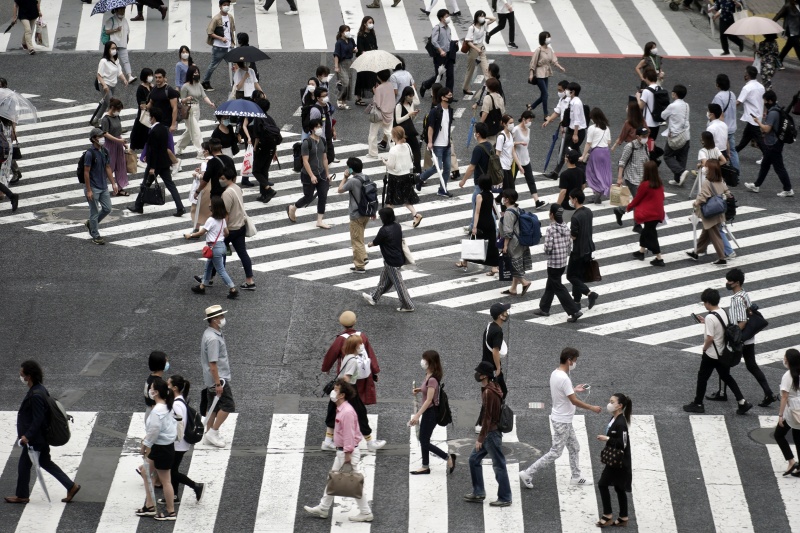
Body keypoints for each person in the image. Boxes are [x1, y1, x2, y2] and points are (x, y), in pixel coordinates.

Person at [519, 348, 601, 489]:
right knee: (556, 452)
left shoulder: (555, 373)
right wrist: (592, 408)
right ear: (569, 360)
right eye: (575, 361)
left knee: (575, 447)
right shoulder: (564, 378)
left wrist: (573, 389)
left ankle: (576, 476)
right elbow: (574, 401)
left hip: (563, 419)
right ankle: (527, 473)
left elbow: (563, 392)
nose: (575, 363)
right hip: (562, 421)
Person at [5, 361, 81, 505]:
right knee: (45, 462)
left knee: (23, 465)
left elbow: (38, 419)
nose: (20, 376)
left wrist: (27, 435)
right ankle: (71, 486)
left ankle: (22, 495)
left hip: (36, 439)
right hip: (40, 438)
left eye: (22, 374)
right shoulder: (40, 389)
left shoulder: (36, 395)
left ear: (29, 376)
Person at [304, 380, 374, 523]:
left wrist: (347, 454)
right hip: (342, 452)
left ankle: (366, 512)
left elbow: (349, 434)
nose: (332, 392)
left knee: (354, 482)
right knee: (333, 480)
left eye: (335, 390)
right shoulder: (342, 408)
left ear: (342, 395)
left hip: (347, 452)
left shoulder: (346, 412)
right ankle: (323, 508)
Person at [706, 269, 778, 405]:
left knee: (723, 362)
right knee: (751, 365)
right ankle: (769, 393)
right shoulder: (744, 294)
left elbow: (742, 321)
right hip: (748, 338)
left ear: (737, 283)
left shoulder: (737, 299)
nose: (727, 283)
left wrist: (733, 336)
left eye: (730, 281)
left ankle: (723, 393)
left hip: (740, 338)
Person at [683, 288, 753, 414]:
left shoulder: (710, 317)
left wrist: (704, 349)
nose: (704, 305)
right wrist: (705, 322)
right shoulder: (722, 312)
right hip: (723, 353)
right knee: (727, 377)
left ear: (708, 302)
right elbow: (721, 327)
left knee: (702, 378)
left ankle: (698, 403)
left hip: (711, 354)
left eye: (704, 302)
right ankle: (742, 402)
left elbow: (710, 338)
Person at [464, 361, 512, 507]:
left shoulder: (488, 392)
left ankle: (505, 497)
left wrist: (480, 438)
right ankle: (478, 492)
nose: (477, 374)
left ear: (484, 375)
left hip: (490, 435)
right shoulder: (493, 387)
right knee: (473, 460)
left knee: (499, 465)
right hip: (491, 433)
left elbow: (487, 417)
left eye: (479, 372)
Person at [129, 108, 185, 216]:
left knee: (145, 184)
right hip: (164, 162)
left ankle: (138, 206)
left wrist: (152, 166)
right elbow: (161, 147)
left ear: (153, 118)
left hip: (155, 163)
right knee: (170, 185)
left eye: (150, 117)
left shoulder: (154, 131)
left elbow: (154, 149)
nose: (149, 119)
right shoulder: (164, 129)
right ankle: (180, 207)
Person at [137, 377, 178, 521]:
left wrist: (144, 445)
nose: (149, 390)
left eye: (151, 388)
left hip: (161, 448)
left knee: (166, 480)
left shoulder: (157, 411)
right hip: (164, 447)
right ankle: (149, 505)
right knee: (145, 471)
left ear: (156, 392)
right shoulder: (167, 405)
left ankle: (170, 511)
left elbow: (154, 431)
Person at [409, 350, 457, 474]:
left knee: (424, 441)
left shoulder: (432, 379)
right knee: (424, 439)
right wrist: (420, 390)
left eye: (425, 359)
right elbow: (430, 391)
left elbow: (429, 400)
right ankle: (425, 466)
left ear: (431, 362)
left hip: (431, 413)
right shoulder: (429, 375)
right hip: (429, 412)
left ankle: (448, 457)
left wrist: (417, 415)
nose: (422, 361)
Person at [534, 205, 582, 322]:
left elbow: (548, 247)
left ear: (552, 215)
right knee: (551, 284)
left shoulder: (551, 229)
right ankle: (544, 308)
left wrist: (545, 250)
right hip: (562, 261)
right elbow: (569, 244)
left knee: (558, 287)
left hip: (553, 262)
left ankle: (574, 311)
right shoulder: (565, 226)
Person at [363, 207, 415, 311]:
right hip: (397, 257)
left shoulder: (384, 230)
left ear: (384, 218)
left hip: (391, 261)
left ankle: (408, 305)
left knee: (398, 284)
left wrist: (369, 244)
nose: (380, 218)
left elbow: (376, 242)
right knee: (384, 280)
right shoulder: (397, 226)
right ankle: (374, 297)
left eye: (381, 216)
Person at [186, 196, 238, 298]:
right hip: (221, 246)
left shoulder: (211, 220)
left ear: (214, 208)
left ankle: (233, 289)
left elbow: (201, 232)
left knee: (221, 270)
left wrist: (190, 235)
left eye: (211, 205)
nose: (209, 205)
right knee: (208, 267)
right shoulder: (223, 220)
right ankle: (202, 286)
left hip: (214, 248)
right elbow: (226, 233)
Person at [199, 304, 236, 447]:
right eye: (220, 316)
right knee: (228, 405)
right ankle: (213, 432)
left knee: (212, 406)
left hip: (211, 378)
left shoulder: (209, 333)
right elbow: (213, 364)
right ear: (214, 319)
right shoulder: (213, 339)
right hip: (218, 378)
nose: (223, 318)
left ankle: (209, 433)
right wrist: (218, 384)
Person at [615, 161, 665, 266]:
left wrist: (628, 208)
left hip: (649, 214)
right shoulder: (659, 183)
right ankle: (641, 252)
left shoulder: (645, 185)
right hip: (658, 213)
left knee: (651, 235)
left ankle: (659, 258)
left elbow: (637, 199)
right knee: (646, 232)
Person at [745, 90, 794, 197]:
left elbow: (766, 129)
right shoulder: (776, 109)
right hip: (773, 143)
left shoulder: (772, 113)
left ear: (770, 101)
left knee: (779, 167)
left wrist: (758, 122)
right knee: (765, 165)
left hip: (773, 144)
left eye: (765, 101)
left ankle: (788, 189)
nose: (764, 103)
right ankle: (756, 185)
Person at [595, 393, 633, 528]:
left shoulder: (621, 423)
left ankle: (608, 515)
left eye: (612, 402)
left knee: (602, 484)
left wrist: (607, 439)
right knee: (619, 488)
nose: (609, 404)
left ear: (620, 406)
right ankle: (623, 517)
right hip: (616, 460)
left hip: (619, 462)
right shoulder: (614, 418)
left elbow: (623, 443)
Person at [166, 375, 205, 504]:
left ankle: (195, 486)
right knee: (173, 470)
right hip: (181, 442)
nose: (167, 386)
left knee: (171, 471)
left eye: (169, 384)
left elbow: (179, 425)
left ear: (175, 388)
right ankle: (175, 496)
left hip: (178, 443)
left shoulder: (176, 404)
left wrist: (172, 440)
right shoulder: (180, 400)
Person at [287, 118, 332, 229]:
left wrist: (327, 174)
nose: (319, 128)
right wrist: (312, 175)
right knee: (308, 197)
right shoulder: (306, 143)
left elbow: (325, 159)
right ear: (312, 129)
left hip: (321, 174)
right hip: (308, 175)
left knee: (323, 196)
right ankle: (293, 208)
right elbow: (305, 161)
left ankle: (319, 221)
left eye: (320, 126)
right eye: (317, 127)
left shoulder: (322, 140)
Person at [686, 160, 732, 265]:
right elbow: (728, 193)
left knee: (715, 235)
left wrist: (696, 203)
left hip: (710, 213)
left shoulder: (707, 182)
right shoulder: (720, 180)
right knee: (706, 233)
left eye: (706, 167)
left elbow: (703, 196)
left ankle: (722, 257)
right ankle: (697, 251)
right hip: (719, 211)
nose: (704, 168)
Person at [477, 302, 510, 433]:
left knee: (489, 394)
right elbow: (495, 351)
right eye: (505, 312)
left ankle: (484, 422)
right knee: (498, 393)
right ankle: (483, 423)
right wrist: (498, 368)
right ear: (500, 316)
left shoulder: (490, 326)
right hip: (492, 368)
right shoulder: (498, 331)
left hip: (485, 365)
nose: (507, 313)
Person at [417, 86, 455, 197]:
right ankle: (420, 178)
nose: (451, 97)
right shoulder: (435, 111)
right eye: (449, 95)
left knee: (447, 168)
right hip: (437, 144)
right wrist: (430, 142)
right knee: (437, 167)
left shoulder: (450, 110)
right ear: (442, 97)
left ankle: (442, 189)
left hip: (447, 144)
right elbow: (431, 127)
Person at [83, 128, 118, 245]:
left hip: (103, 186)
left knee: (107, 208)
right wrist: (88, 190)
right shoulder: (89, 153)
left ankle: (91, 224)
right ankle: (95, 235)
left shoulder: (105, 151)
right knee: (94, 212)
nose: (102, 139)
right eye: (99, 137)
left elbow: (108, 167)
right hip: (93, 187)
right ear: (93, 139)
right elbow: (86, 172)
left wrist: (113, 183)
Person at [220, 170, 255, 291]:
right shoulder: (237, 188)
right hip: (240, 226)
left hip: (230, 229)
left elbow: (225, 214)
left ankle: (210, 277)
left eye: (223, 178)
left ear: (230, 178)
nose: (221, 180)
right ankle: (250, 281)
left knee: (218, 252)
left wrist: (224, 229)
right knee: (242, 253)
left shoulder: (227, 194)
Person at [457, 176, 499, 272]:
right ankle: (494, 266)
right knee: (492, 244)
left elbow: (477, 212)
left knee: (474, 241)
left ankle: (465, 261)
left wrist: (474, 226)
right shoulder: (491, 195)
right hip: (490, 222)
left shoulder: (479, 196)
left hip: (482, 222)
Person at [566, 189, 599, 309]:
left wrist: (567, 233)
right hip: (589, 248)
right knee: (578, 276)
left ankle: (590, 294)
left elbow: (574, 236)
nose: (570, 201)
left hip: (578, 250)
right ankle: (577, 302)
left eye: (570, 198)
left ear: (575, 199)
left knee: (571, 276)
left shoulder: (575, 217)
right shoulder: (588, 212)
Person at [338, 157, 371, 273]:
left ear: (351, 169)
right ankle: (363, 257)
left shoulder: (352, 181)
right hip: (366, 212)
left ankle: (360, 265)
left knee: (356, 240)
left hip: (356, 213)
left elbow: (340, 189)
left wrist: (345, 177)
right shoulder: (366, 178)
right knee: (360, 237)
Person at [383, 127, 421, 224]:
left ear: (394, 136)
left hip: (395, 177)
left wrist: (384, 162)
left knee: (390, 200)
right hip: (406, 175)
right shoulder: (407, 146)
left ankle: (389, 220)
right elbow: (411, 158)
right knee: (406, 198)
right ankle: (415, 215)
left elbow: (391, 165)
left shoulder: (393, 150)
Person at [616, 126, 650, 232]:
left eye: (646, 136)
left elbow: (647, 161)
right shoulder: (630, 147)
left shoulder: (645, 146)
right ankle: (637, 225)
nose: (645, 138)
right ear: (637, 136)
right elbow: (622, 162)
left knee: (637, 200)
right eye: (643, 136)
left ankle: (620, 210)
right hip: (631, 178)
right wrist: (619, 178)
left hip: (642, 178)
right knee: (639, 201)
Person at [176, 65, 215, 156]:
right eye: (195, 73)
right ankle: (201, 151)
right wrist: (187, 99)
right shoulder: (185, 86)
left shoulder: (199, 85)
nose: (197, 74)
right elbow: (181, 100)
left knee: (190, 131)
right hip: (189, 110)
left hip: (197, 109)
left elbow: (204, 96)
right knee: (196, 131)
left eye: (197, 72)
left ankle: (177, 147)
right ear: (190, 74)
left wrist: (210, 103)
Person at [500, 189, 532, 295]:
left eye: (504, 197)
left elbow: (508, 231)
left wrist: (505, 245)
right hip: (521, 240)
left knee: (513, 264)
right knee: (517, 262)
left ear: (507, 200)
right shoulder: (517, 208)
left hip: (513, 242)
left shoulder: (509, 213)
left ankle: (524, 282)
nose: (502, 199)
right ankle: (513, 288)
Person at [774, 349, 800, 477]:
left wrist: (780, 416)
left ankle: (791, 461)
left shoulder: (788, 376)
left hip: (792, 412)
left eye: (785, 357)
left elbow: (784, 397)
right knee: (798, 437)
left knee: (778, 435)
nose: (783, 359)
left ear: (788, 360)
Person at [512, 110, 546, 208]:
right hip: (515, 160)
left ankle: (537, 201)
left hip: (526, 159)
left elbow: (526, 145)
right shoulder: (515, 130)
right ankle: (502, 199)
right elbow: (509, 144)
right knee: (511, 181)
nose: (530, 122)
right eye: (529, 120)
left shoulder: (528, 130)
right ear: (523, 119)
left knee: (530, 180)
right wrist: (519, 143)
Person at [90, 41, 129, 127]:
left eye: (115, 48)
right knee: (113, 105)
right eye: (112, 48)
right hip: (105, 86)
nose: (114, 50)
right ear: (107, 50)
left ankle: (95, 120)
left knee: (105, 104)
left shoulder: (116, 60)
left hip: (113, 85)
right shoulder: (103, 61)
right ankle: (116, 125)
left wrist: (124, 79)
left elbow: (119, 72)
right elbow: (99, 75)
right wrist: (104, 85)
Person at [202, 0, 236, 92]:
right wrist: (221, 38)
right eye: (224, 5)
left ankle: (235, 84)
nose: (227, 7)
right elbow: (209, 32)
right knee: (213, 65)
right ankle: (205, 82)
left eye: (228, 5)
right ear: (220, 6)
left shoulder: (230, 17)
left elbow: (231, 31)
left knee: (233, 66)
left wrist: (232, 43)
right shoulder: (216, 18)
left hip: (229, 47)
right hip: (219, 48)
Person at [661, 84, 691, 187]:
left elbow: (663, 115)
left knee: (667, 155)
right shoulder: (687, 105)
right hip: (686, 135)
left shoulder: (672, 106)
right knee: (682, 157)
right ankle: (678, 180)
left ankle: (681, 172)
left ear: (675, 94)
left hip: (675, 136)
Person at [528, 31, 565, 116]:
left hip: (546, 73)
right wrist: (531, 73)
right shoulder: (539, 50)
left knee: (544, 95)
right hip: (539, 73)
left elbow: (553, 60)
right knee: (545, 94)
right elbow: (533, 62)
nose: (549, 39)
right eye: (547, 37)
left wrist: (560, 67)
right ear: (543, 39)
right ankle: (546, 114)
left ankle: (531, 107)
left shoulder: (549, 50)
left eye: (549, 37)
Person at [580, 107, 612, 204]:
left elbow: (588, 143)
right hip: (605, 152)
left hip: (596, 152)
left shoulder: (592, 128)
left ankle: (597, 191)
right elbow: (609, 142)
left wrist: (583, 155)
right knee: (603, 173)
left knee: (592, 173)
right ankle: (602, 190)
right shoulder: (606, 128)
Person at [250, 96, 279, 203]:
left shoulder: (258, 118)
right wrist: (275, 150)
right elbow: (276, 135)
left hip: (262, 148)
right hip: (271, 148)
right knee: (264, 171)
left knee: (256, 171)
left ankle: (268, 190)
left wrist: (255, 147)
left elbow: (257, 136)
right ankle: (264, 195)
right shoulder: (270, 118)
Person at [542, 79, 572, 179]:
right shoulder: (562, 100)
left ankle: (555, 172)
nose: (558, 92)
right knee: (570, 150)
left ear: (566, 90)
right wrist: (548, 120)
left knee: (563, 151)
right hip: (565, 129)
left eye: (560, 90)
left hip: (569, 130)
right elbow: (557, 111)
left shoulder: (571, 101)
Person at [420, 10, 456, 94]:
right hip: (440, 55)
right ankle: (425, 85)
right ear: (441, 18)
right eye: (446, 16)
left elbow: (447, 41)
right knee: (439, 75)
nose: (448, 18)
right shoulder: (437, 28)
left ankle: (449, 94)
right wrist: (441, 51)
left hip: (448, 54)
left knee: (450, 75)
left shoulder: (448, 28)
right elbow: (434, 41)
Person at [100, 98, 129, 197]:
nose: (119, 112)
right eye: (118, 110)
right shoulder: (105, 119)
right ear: (112, 108)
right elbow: (105, 134)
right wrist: (118, 141)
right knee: (109, 166)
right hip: (109, 145)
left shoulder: (117, 117)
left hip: (118, 144)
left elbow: (118, 132)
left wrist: (122, 142)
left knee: (121, 166)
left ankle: (120, 188)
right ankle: (99, 187)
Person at [734, 66, 764, 159]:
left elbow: (738, 102)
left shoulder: (747, 88)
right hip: (758, 116)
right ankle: (735, 151)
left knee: (759, 139)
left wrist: (726, 110)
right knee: (746, 136)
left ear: (747, 76)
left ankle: (767, 155)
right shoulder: (761, 86)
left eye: (745, 73)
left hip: (752, 118)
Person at [712, 73, 739, 171]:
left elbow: (717, 113)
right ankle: (736, 172)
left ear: (718, 84)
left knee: (714, 149)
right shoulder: (732, 94)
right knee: (732, 150)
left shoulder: (719, 97)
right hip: (732, 127)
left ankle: (707, 169)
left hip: (723, 127)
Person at [462, 11, 493, 95]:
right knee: (470, 70)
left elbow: (494, 19)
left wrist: (485, 18)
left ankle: (490, 88)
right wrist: (476, 49)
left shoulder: (484, 25)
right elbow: (468, 41)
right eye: (480, 16)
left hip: (481, 48)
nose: (482, 17)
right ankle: (465, 87)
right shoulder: (471, 28)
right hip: (474, 49)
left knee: (486, 69)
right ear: (476, 17)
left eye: (483, 16)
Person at [394, 86, 422, 174]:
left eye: (412, 95)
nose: (412, 98)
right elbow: (398, 120)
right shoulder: (399, 106)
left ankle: (417, 173)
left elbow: (411, 120)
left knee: (417, 151)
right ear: (405, 96)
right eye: (410, 96)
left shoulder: (411, 104)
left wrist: (414, 115)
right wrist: (409, 114)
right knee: (401, 154)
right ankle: (401, 173)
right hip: (401, 133)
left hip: (410, 131)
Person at [368, 70, 395, 158]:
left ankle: (373, 153)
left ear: (379, 77)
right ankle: (394, 150)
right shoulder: (391, 85)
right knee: (389, 133)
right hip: (389, 113)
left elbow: (377, 103)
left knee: (373, 134)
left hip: (379, 114)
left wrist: (375, 92)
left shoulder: (379, 88)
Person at [146, 69, 180, 137]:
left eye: (160, 77)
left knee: (166, 145)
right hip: (155, 122)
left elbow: (175, 108)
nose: (157, 79)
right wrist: (145, 107)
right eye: (156, 77)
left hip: (166, 124)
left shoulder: (169, 91)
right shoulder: (154, 89)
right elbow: (151, 102)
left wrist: (173, 125)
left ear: (164, 78)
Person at [104, 8, 134, 82]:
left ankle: (129, 76)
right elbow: (107, 31)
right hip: (113, 45)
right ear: (116, 10)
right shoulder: (111, 20)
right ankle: (107, 76)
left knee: (126, 60)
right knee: (112, 60)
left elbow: (127, 31)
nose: (123, 11)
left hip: (123, 44)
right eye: (121, 10)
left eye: (123, 9)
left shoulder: (125, 20)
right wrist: (116, 30)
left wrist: (127, 39)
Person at [355, 17, 379, 107]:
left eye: (372, 22)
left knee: (373, 77)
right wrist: (364, 53)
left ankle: (375, 98)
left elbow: (375, 45)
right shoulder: (361, 35)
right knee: (361, 78)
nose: (371, 24)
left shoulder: (372, 33)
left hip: (372, 58)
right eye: (369, 22)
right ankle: (358, 98)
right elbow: (360, 48)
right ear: (364, 23)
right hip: (363, 59)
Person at [333, 25, 357, 109]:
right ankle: (339, 99)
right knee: (345, 82)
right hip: (341, 63)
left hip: (349, 63)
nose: (348, 32)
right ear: (341, 32)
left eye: (348, 30)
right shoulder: (339, 43)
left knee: (349, 83)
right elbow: (336, 55)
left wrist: (354, 50)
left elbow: (354, 48)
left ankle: (344, 101)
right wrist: (336, 66)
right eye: (346, 30)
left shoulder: (351, 40)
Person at [130, 68, 153, 153]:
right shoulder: (141, 89)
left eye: (151, 75)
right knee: (138, 135)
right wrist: (150, 103)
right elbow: (142, 105)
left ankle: (146, 155)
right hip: (143, 116)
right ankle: (131, 154)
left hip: (152, 115)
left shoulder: (151, 86)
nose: (151, 77)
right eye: (148, 75)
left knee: (148, 138)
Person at [636, 68, 662, 142]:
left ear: (647, 78)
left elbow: (640, 106)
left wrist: (638, 97)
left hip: (648, 122)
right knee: (652, 142)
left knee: (645, 143)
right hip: (657, 121)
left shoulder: (647, 91)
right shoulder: (660, 88)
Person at [143, 351, 169, 421]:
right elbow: (155, 404)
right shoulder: (157, 384)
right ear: (161, 364)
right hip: (155, 416)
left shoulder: (150, 379)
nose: (167, 364)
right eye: (166, 361)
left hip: (149, 412)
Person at [480, 78, 505, 146]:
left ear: (489, 88)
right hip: (497, 124)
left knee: (487, 143)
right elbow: (502, 112)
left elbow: (485, 113)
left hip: (489, 125)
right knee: (495, 142)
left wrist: (480, 124)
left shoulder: (488, 97)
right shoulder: (500, 97)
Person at [774, 1, 800, 67]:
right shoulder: (787, 6)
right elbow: (778, 15)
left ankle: (779, 60)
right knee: (798, 48)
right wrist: (771, 23)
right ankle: (779, 60)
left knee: (788, 46)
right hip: (791, 31)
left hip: (797, 30)